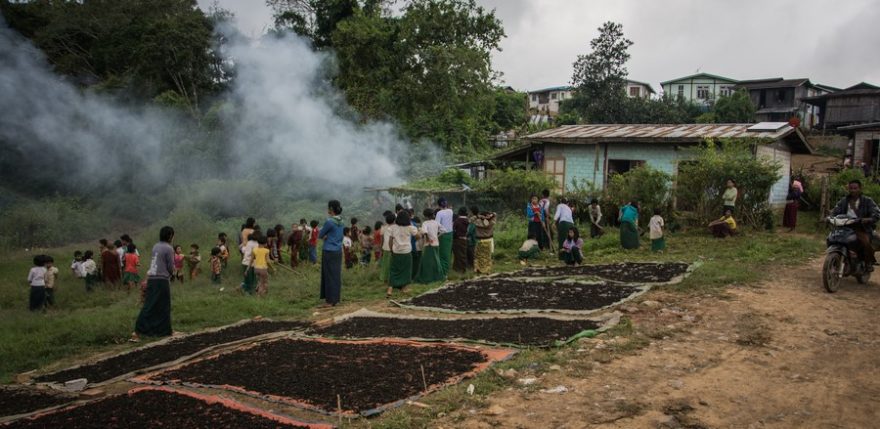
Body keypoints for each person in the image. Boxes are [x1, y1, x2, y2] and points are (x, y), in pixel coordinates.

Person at [132, 226, 175, 341]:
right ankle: (139, 331)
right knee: (162, 306)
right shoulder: (169, 248)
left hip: (152, 278)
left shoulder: (156, 246)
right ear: (170, 235)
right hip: (161, 280)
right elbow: (170, 267)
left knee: (151, 304)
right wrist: (172, 274)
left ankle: (159, 331)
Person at [831, 179, 880, 270]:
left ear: (860, 188)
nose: (853, 190)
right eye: (851, 188)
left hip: (861, 227)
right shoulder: (844, 201)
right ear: (848, 189)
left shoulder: (867, 201)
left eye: (855, 188)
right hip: (845, 226)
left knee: (865, 242)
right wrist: (829, 217)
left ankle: (868, 262)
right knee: (832, 238)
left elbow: (876, 213)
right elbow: (835, 211)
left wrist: (869, 219)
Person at [386, 210, 419, 297]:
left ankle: (390, 289)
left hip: (396, 251)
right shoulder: (410, 227)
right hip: (406, 252)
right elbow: (417, 236)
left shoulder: (393, 228)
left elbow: (390, 241)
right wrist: (419, 231)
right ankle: (404, 288)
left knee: (394, 269)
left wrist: (391, 250)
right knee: (406, 270)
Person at [319, 200, 345, 307]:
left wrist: (326, 236)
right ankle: (335, 298)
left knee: (328, 275)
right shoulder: (342, 221)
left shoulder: (329, 221)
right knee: (335, 274)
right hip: (338, 250)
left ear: (331, 209)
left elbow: (320, 234)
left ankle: (329, 301)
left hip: (329, 250)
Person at [416, 208, 444, 283]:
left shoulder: (425, 223)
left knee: (427, 262)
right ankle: (438, 276)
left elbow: (425, 232)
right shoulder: (436, 223)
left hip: (428, 244)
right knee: (436, 260)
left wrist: (428, 239)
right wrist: (437, 236)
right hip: (436, 243)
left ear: (425, 216)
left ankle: (427, 277)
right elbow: (443, 230)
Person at [471, 208, 497, 274]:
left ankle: (478, 269)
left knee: (478, 256)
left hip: (480, 240)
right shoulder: (491, 222)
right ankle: (487, 270)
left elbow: (471, 220)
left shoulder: (478, 221)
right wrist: (491, 215)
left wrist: (478, 216)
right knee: (488, 256)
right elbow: (495, 215)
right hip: (489, 239)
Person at [435, 199, 455, 275]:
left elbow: (437, 225)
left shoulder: (439, 213)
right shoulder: (450, 211)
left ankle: (443, 273)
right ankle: (446, 270)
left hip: (443, 235)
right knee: (448, 253)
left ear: (438, 205)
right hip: (450, 234)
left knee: (442, 254)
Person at [379, 213, 396, 284]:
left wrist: (381, 248)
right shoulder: (396, 227)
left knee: (385, 264)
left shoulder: (383, 228)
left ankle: (384, 278)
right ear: (394, 220)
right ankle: (392, 278)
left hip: (385, 248)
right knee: (392, 264)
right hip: (394, 248)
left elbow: (382, 239)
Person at [452, 207, 470, 273]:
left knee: (457, 255)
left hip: (458, 239)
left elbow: (454, 230)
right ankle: (463, 269)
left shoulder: (457, 221)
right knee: (463, 254)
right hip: (465, 239)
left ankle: (458, 269)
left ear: (459, 212)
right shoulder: (468, 221)